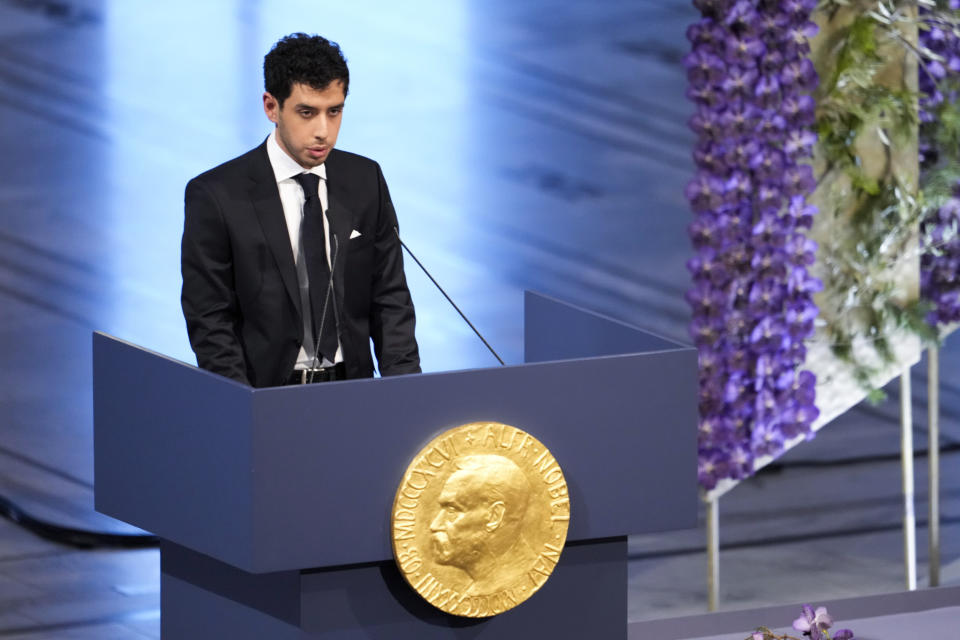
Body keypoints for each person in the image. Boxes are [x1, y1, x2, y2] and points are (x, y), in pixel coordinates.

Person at [181, 33, 420, 387]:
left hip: (353, 390)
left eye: (334, 111)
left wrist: (407, 393)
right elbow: (211, 320)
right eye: (306, 113)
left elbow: (390, 299)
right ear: (271, 107)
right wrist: (242, 407)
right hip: (267, 397)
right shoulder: (216, 196)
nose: (323, 131)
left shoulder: (365, 180)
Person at [429, 455, 538, 595]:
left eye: (452, 510)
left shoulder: (510, 580)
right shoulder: (482, 587)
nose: (434, 525)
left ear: (494, 516)